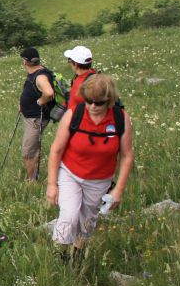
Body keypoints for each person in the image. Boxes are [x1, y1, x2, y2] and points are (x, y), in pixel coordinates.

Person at [46, 74, 133, 263]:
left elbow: (126, 156)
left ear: (109, 101)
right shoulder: (74, 115)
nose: (93, 106)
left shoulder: (120, 119)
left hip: (99, 180)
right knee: (69, 216)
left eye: (99, 102)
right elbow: (56, 150)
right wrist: (52, 184)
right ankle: (59, 257)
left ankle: (77, 256)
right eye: (88, 101)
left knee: (87, 221)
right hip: (70, 174)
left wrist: (118, 190)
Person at [19, 47, 55, 181]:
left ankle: (32, 181)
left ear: (25, 61)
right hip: (31, 116)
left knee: (28, 152)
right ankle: (33, 177)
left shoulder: (40, 76)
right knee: (31, 149)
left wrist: (41, 101)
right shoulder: (39, 71)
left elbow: (49, 93)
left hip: (36, 119)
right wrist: (22, 104)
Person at [64, 45, 96, 111]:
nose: (69, 63)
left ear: (75, 64)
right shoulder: (92, 75)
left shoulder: (86, 83)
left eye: (70, 60)